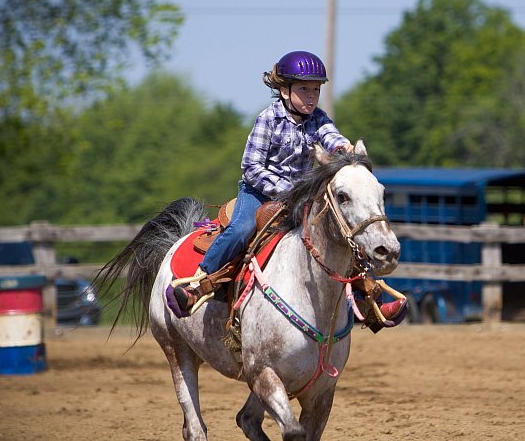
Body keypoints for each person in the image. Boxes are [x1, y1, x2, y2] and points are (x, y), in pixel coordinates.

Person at [172, 50, 405, 322]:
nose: (310, 96)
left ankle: (370, 302)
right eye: (304, 89)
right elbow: (251, 167)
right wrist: (287, 191)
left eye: (315, 90)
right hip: (258, 194)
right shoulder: (267, 119)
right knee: (241, 229)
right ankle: (199, 282)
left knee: (341, 233)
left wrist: (343, 147)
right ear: (284, 90)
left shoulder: (318, 118)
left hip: (300, 199)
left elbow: (331, 136)